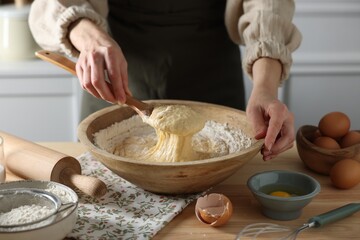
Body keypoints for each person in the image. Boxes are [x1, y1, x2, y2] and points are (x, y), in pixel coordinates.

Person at [29, 0, 302, 161]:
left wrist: (265, 88)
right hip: (114, 75)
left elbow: (269, 6)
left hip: (212, 72)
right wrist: (88, 37)